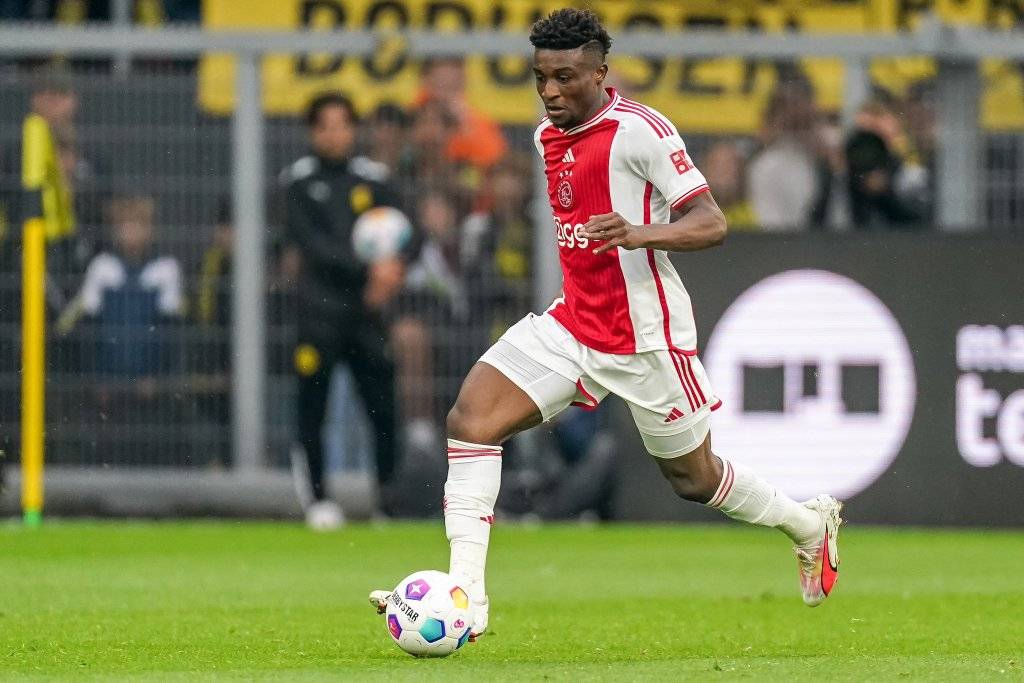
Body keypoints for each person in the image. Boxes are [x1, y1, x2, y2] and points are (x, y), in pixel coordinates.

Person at [370, 8, 843, 638]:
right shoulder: (546, 135)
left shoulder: (642, 131)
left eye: (565, 77)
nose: (551, 91)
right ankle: (466, 600)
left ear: (600, 73)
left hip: (646, 338)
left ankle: (809, 525)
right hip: (573, 325)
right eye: (541, 77)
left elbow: (712, 222)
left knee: (694, 479)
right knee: (471, 421)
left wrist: (639, 232)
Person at [280, 92, 406, 530]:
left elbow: (408, 232)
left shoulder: (375, 180)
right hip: (319, 313)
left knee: (383, 407)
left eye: (342, 125)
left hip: (367, 315)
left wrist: (393, 269)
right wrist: (369, 269)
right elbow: (313, 246)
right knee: (312, 405)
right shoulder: (298, 183)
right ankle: (317, 499)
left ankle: (387, 500)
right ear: (312, 132)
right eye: (325, 126)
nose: (334, 134)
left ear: (354, 129)